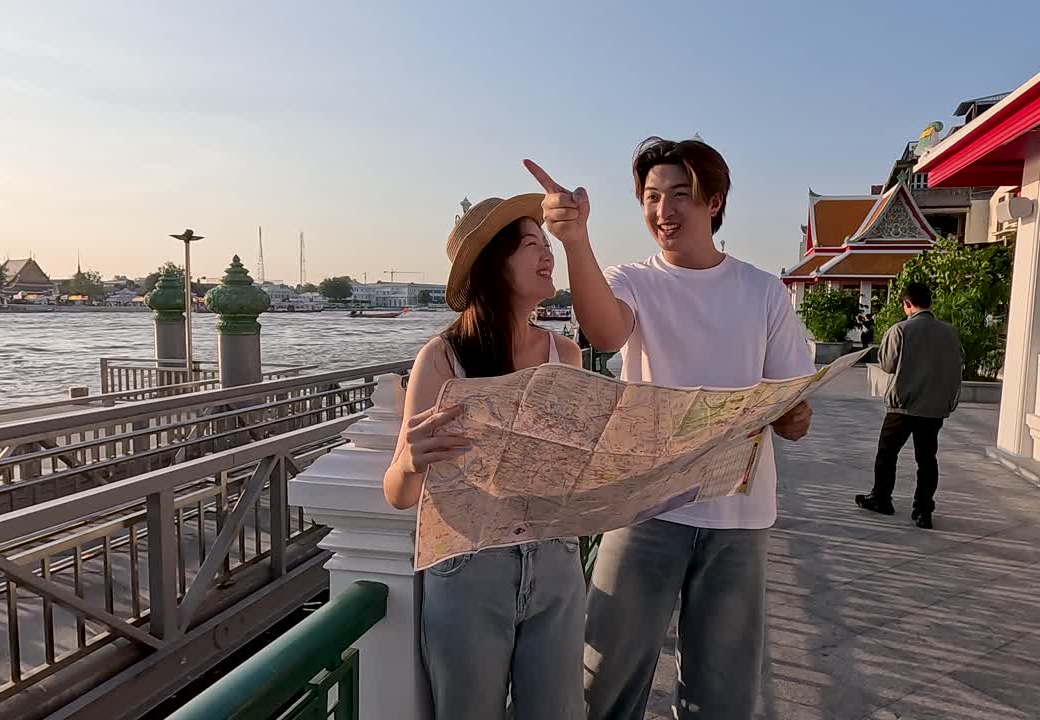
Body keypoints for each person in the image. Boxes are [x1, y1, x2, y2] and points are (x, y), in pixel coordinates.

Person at [525, 136, 815, 720]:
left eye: (680, 194)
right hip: (646, 507)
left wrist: (791, 412)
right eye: (652, 197)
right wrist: (575, 240)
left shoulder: (763, 291)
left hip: (739, 517)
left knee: (722, 694)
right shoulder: (633, 280)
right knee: (604, 679)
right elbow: (606, 332)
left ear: (715, 201)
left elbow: (794, 409)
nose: (664, 210)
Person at [382, 194, 587, 720]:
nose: (548, 255)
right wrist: (409, 461)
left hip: (556, 560)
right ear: (494, 264)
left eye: (547, 244)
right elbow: (399, 494)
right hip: (469, 568)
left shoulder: (565, 354)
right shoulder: (444, 357)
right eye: (532, 245)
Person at [855, 282, 963, 530]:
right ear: (930, 302)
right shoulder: (949, 332)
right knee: (927, 459)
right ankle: (923, 509)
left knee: (887, 453)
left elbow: (888, 365)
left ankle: (882, 498)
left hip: (903, 406)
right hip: (934, 408)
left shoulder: (901, 330)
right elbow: (957, 365)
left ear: (907, 303)